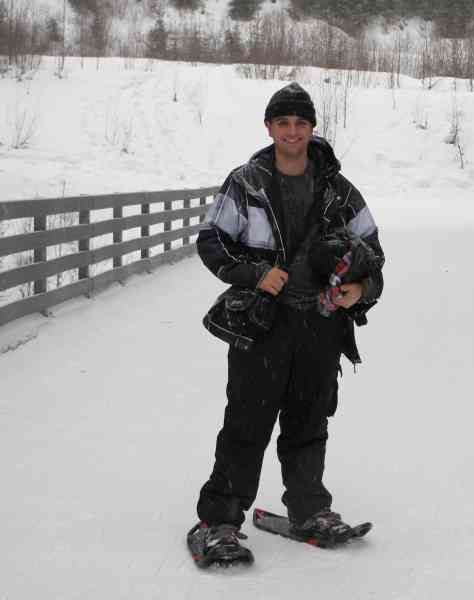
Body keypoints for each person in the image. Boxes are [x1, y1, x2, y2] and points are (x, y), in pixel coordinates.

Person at [187, 82, 385, 566]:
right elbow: (212, 241)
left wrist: (360, 289)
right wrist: (255, 274)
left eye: (300, 122)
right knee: (247, 422)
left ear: (312, 127)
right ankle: (218, 521)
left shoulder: (339, 190)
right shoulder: (247, 183)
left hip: (321, 324)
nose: (292, 131)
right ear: (269, 127)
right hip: (263, 323)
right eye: (283, 123)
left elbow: (374, 255)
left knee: (309, 421)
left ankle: (310, 510)